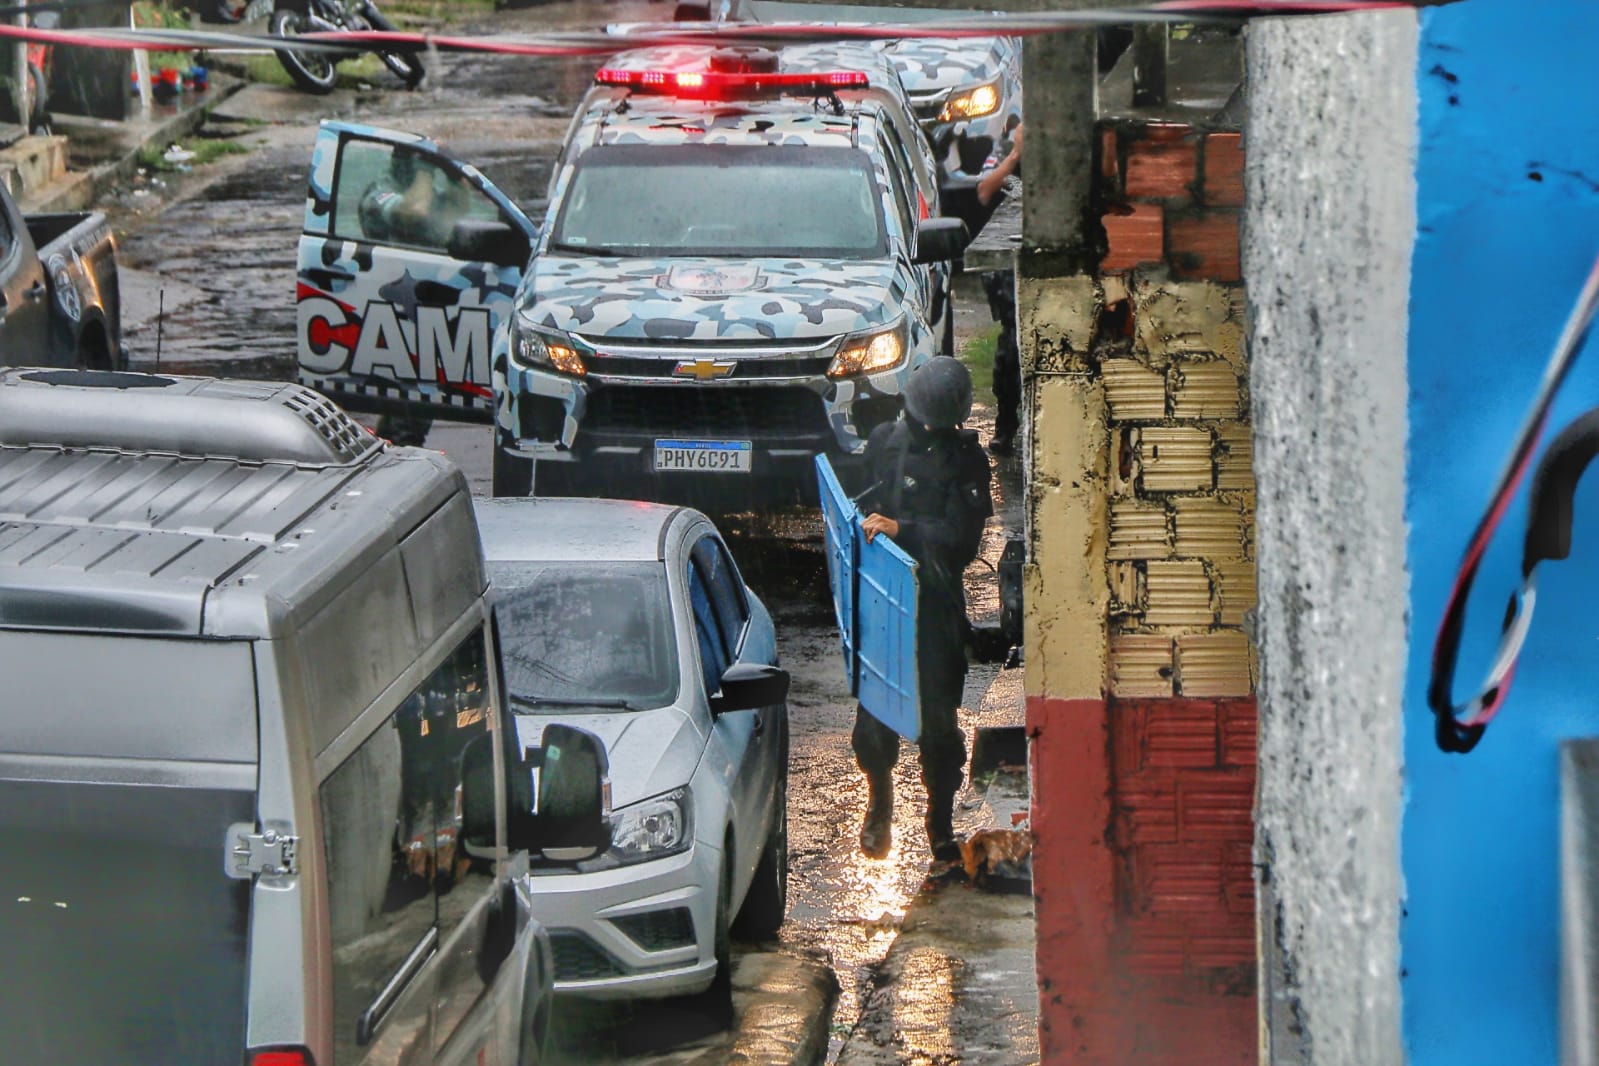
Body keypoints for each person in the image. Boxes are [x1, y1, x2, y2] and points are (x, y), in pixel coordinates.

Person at [853, 356, 994, 863]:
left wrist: (903, 530)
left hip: (934, 601)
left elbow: (959, 540)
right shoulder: (886, 442)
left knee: (937, 720)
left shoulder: (967, 461)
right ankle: (879, 805)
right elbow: (854, 502)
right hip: (883, 600)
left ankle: (939, 821)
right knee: (875, 716)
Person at [975, 121, 1023, 457]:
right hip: (1006, 269)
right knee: (1008, 356)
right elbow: (983, 191)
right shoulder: (1004, 156)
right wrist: (1017, 155)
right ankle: (1006, 425)